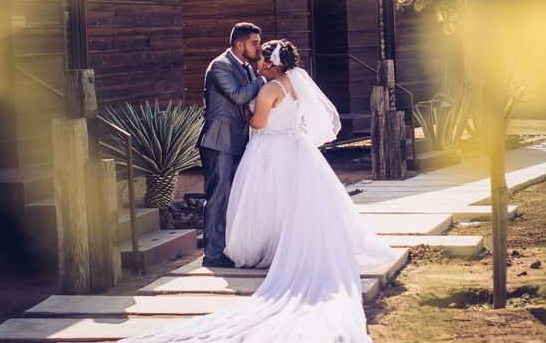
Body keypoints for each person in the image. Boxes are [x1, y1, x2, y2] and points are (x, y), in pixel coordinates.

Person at [119, 39, 396, 342]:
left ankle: (269, 249)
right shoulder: (293, 81)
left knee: (265, 202)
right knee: (291, 202)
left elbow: (260, 123)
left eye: (263, 58)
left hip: (269, 149)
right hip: (295, 146)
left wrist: (246, 114)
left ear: (274, 63)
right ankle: (281, 245)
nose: (258, 63)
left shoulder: (268, 88)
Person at [196, 22, 282, 268]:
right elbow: (238, 95)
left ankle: (228, 247)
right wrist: (264, 77)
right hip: (218, 141)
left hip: (238, 141)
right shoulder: (220, 66)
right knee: (218, 197)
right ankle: (212, 255)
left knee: (234, 197)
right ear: (239, 44)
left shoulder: (246, 67)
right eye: (254, 43)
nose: (259, 47)